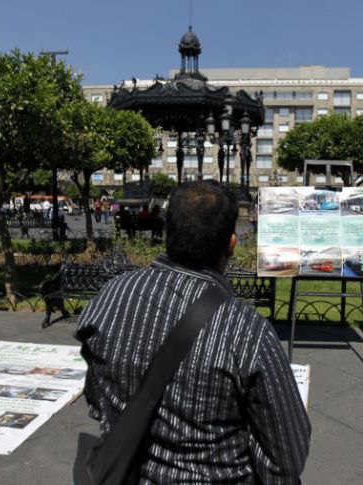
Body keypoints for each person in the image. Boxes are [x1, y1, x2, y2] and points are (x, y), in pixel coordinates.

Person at [74, 181, 310, 483]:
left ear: (168, 233)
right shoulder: (246, 331)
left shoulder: (113, 295)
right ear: (231, 244)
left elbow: (96, 396)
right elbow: (286, 455)